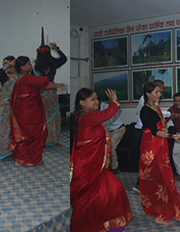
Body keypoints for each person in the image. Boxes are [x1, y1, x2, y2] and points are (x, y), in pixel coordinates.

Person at [69, 88, 132, 232]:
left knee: (114, 189)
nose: (97, 102)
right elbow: (109, 113)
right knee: (88, 199)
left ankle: (111, 224)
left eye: (97, 99)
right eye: (93, 99)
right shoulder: (87, 117)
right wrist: (113, 102)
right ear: (82, 102)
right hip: (87, 166)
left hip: (97, 166)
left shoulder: (87, 116)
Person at [139, 81, 180, 225]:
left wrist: (168, 133)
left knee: (164, 180)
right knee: (157, 181)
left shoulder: (157, 108)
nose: (160, 94)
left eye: (160, 92)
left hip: (160, 146)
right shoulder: (145, 110)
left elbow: (161, 128)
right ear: (148, 94)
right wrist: (172, 136)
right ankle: (160, 215)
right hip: (151, 150)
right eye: (156, 92)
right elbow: (154, 131)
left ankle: (165, 210)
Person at [9, 56, 65, 166]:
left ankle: (22, 159)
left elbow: (40, 86)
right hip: (29, 111)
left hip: (24, 110)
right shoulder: (26, 78)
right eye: (29, 64)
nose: (31, 66)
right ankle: (32, 159)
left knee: (25, 136)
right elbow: (44, 80)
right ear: (23, 67)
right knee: (35, 135)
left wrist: (56, 85)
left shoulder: (21, 78)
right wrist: (47, 71)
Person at [132, 79, 170, 192]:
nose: (161, 92)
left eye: (161, 90)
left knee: (155, 163)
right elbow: (153, 119)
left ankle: (153, 185)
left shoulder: (153, 103)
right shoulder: (148, 103)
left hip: (152, 133)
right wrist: (171, 115)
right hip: (145, 133)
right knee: (149, 161)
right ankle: (142, 185)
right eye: (159, 89)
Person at [34, 42, 67, 147]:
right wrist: (57, 49)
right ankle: (51, 140)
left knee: (41, 116)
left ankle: (41, 139)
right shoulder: (52, 64)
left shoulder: (35, 67)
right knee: (53, 117)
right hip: (50, 92)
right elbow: (64, 59)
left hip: (39, 92)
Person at [0, 56, 17, 159]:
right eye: (4, 64)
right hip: (3, 105)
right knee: (3, 129)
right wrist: (8, 66)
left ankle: (14, 149)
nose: (6, 66)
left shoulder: (19, 76)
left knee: (15, 128)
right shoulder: (3, 76)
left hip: (16, 104)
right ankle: (4, 151)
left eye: (7, 63)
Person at [100, 99, 125, 174]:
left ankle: (115, 167)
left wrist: (98, 124)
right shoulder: (95, 110)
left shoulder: (107, 107)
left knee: (111, 147)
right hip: (109, 131)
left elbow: (109, 120)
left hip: (118, 129)